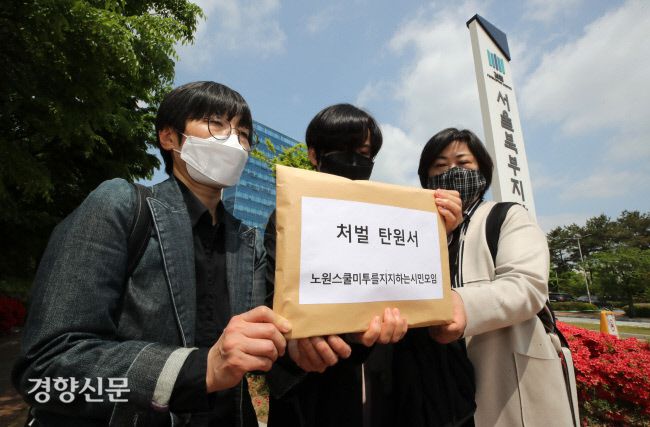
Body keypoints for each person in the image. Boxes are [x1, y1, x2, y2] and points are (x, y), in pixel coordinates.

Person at [12, 81, 291, 426]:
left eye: (243, 133)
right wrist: (195, 370)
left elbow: (260, 348)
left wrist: (301, 350)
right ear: (169, 137)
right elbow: (45, 371)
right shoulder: (120, 206)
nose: (233, 141)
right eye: (216, 124)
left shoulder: (249, 243)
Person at [264, 104, 472, 427]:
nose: (352, 160)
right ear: (314, 155)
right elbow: (276, 302)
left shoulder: (386, 218)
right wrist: (299, 343)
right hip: (318, 392)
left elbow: (414, 283)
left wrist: (437, 232)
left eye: (362, 152)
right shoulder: (289, 217)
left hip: (386, 385)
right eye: (340, 149)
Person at [419, 128, 576, 427]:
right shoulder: (418, 231)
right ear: (426, 178)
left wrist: (463, 306)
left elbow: (527, 285)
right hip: (436, 388)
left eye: (463, 163)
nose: (452, 171)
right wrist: (440, 235)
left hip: (504, 385)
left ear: (482, 171)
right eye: (440, 165)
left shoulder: (506, 216)